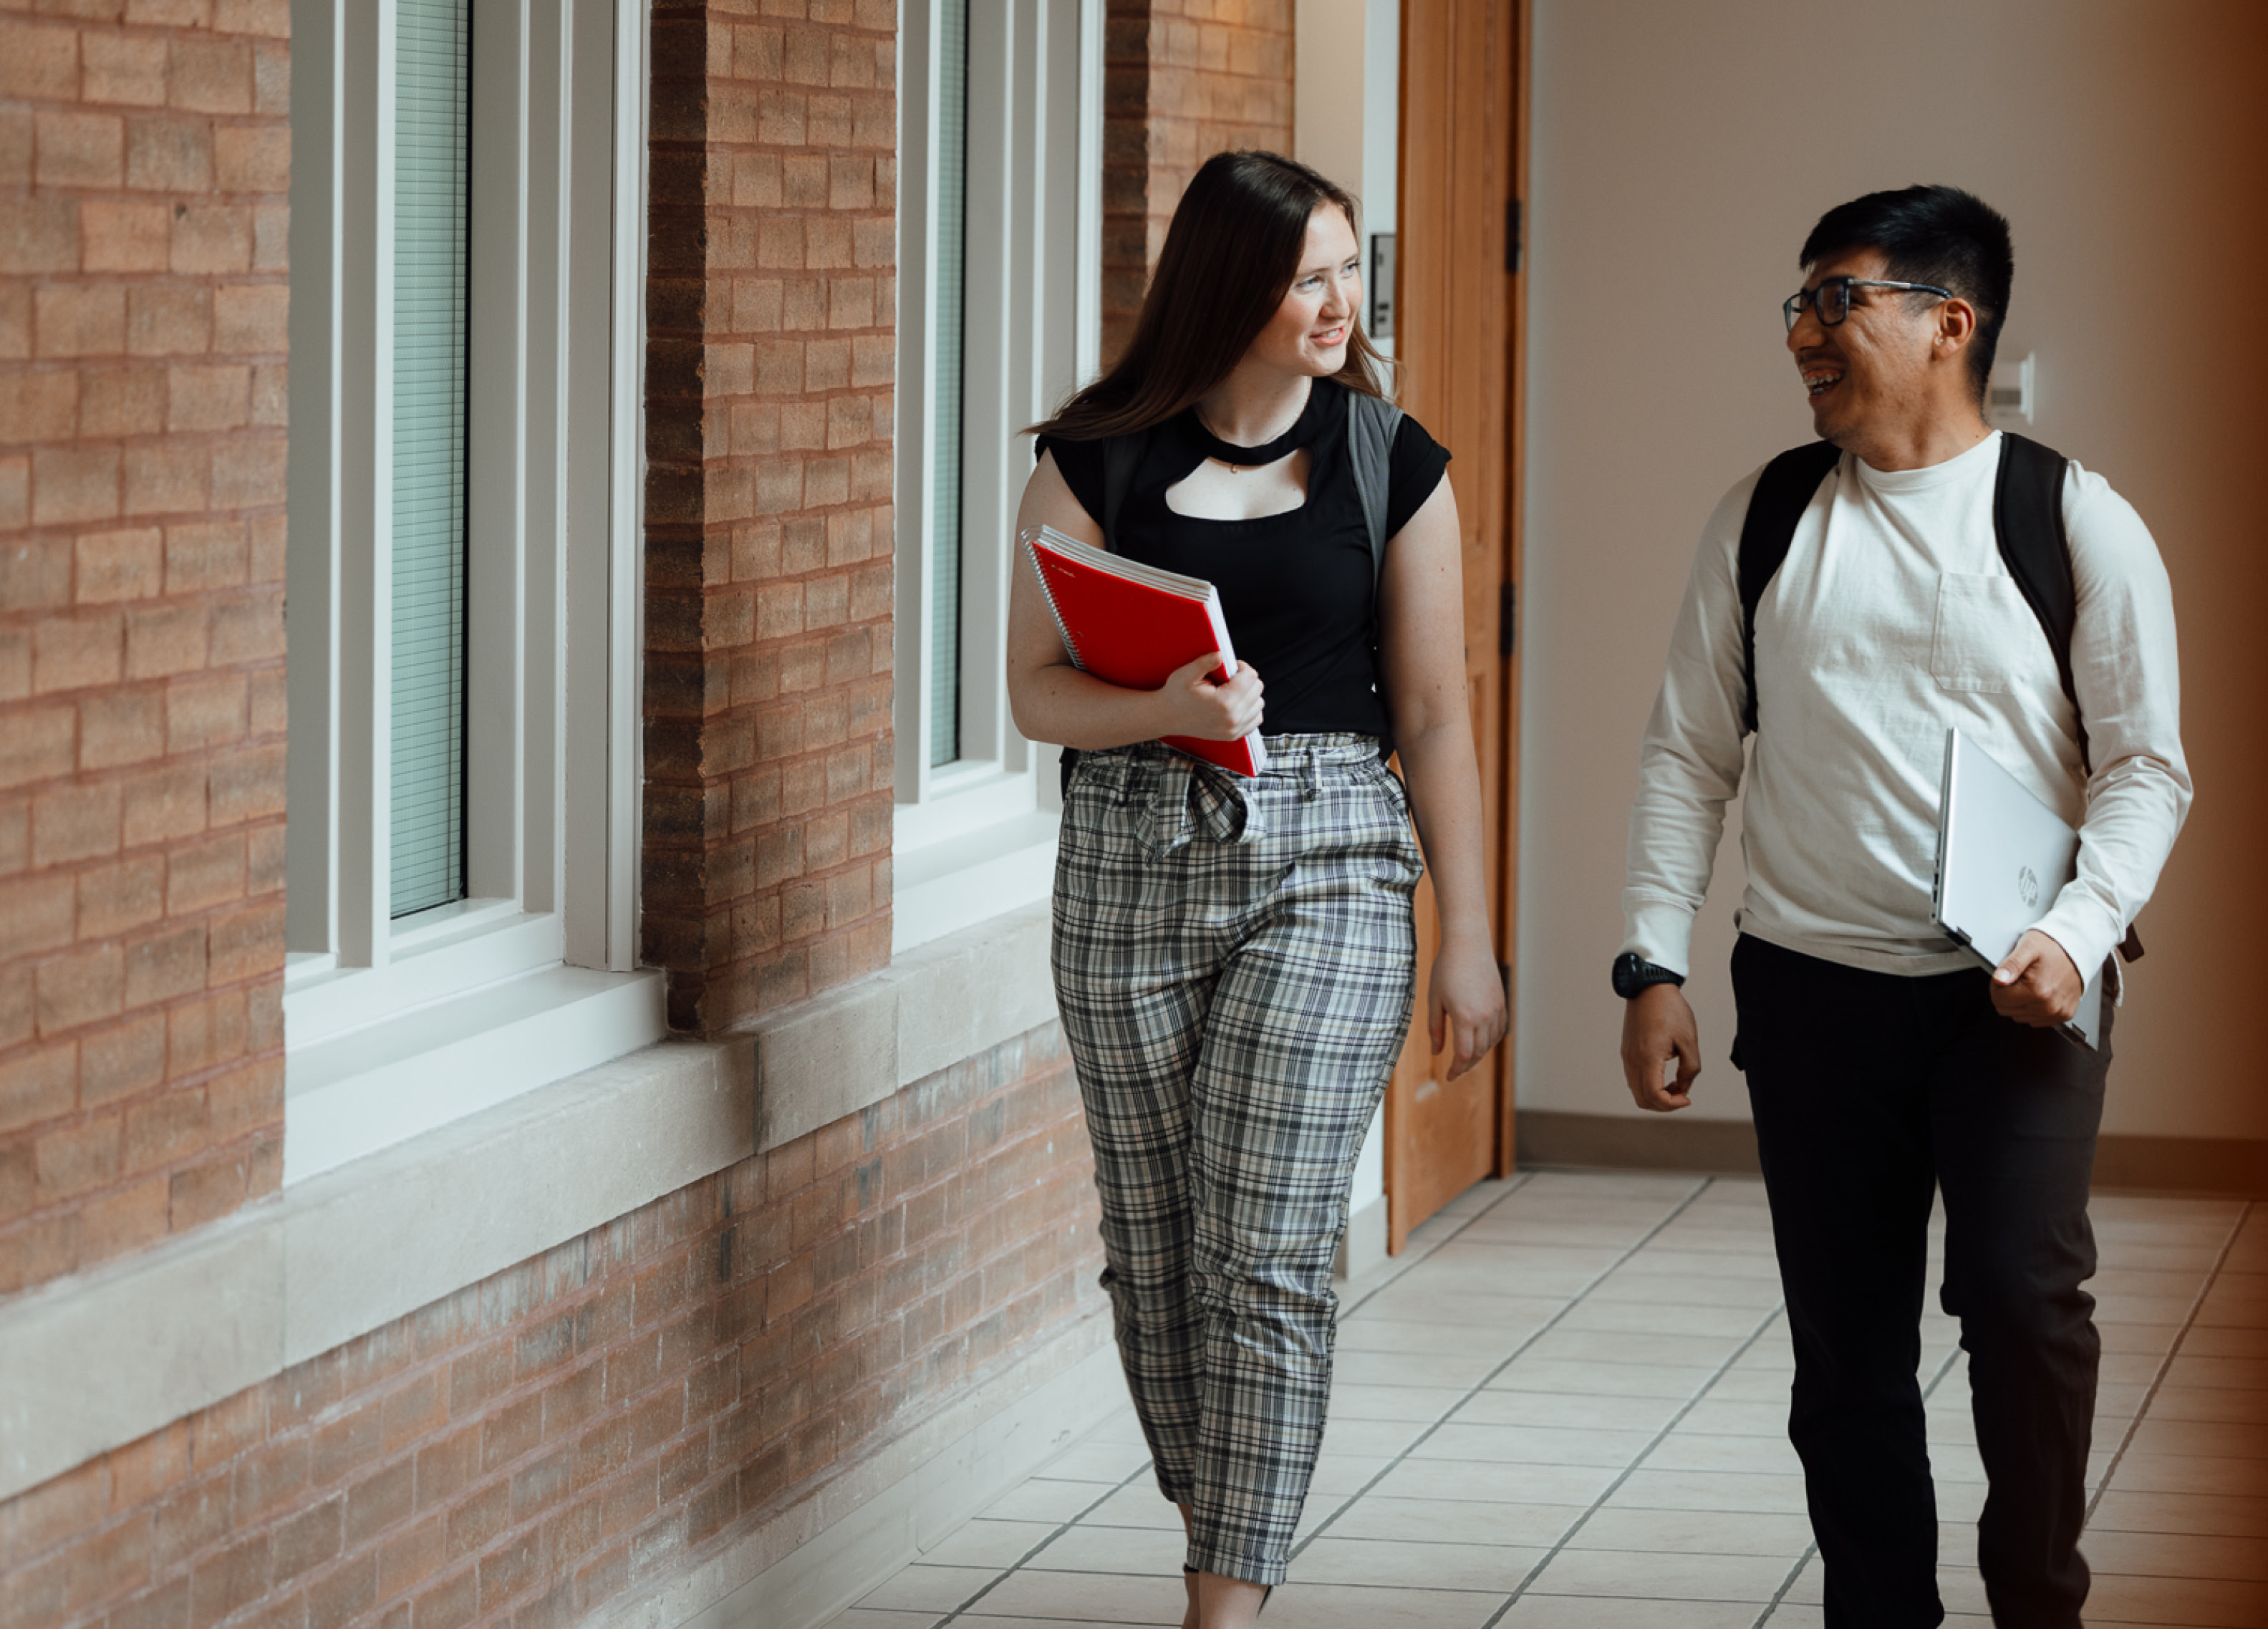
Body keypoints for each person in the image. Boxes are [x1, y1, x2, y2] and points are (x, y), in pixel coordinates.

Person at [1615, 184, 2190, 1627]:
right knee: (1848, 1361)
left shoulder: (2072, 518)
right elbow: (1688, 752)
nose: (1805, 332)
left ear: (1951, 323)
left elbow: (2145, 770)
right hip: (1812, 994)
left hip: (2018, 993)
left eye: (1837, 300)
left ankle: (2036, 1597)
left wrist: (2075, 926)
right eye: (1799, 303)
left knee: (2022, 1308)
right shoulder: (1762, 520)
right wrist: (1651, 959)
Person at [1007, 150, 1506, 1628]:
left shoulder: (1390, 461)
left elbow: (1436, 714)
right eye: (1311, 275)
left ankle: (1222, 1602)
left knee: (1272, 1241)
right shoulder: (1092, 461)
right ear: (1230, 283)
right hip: (1126, 860)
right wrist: (1165, 704)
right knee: (1157, 1251)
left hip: (1336, 852)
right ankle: (1230, 1496)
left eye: (1352, 269)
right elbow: (1036, 695)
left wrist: (1465, 937)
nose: (1341, 302)